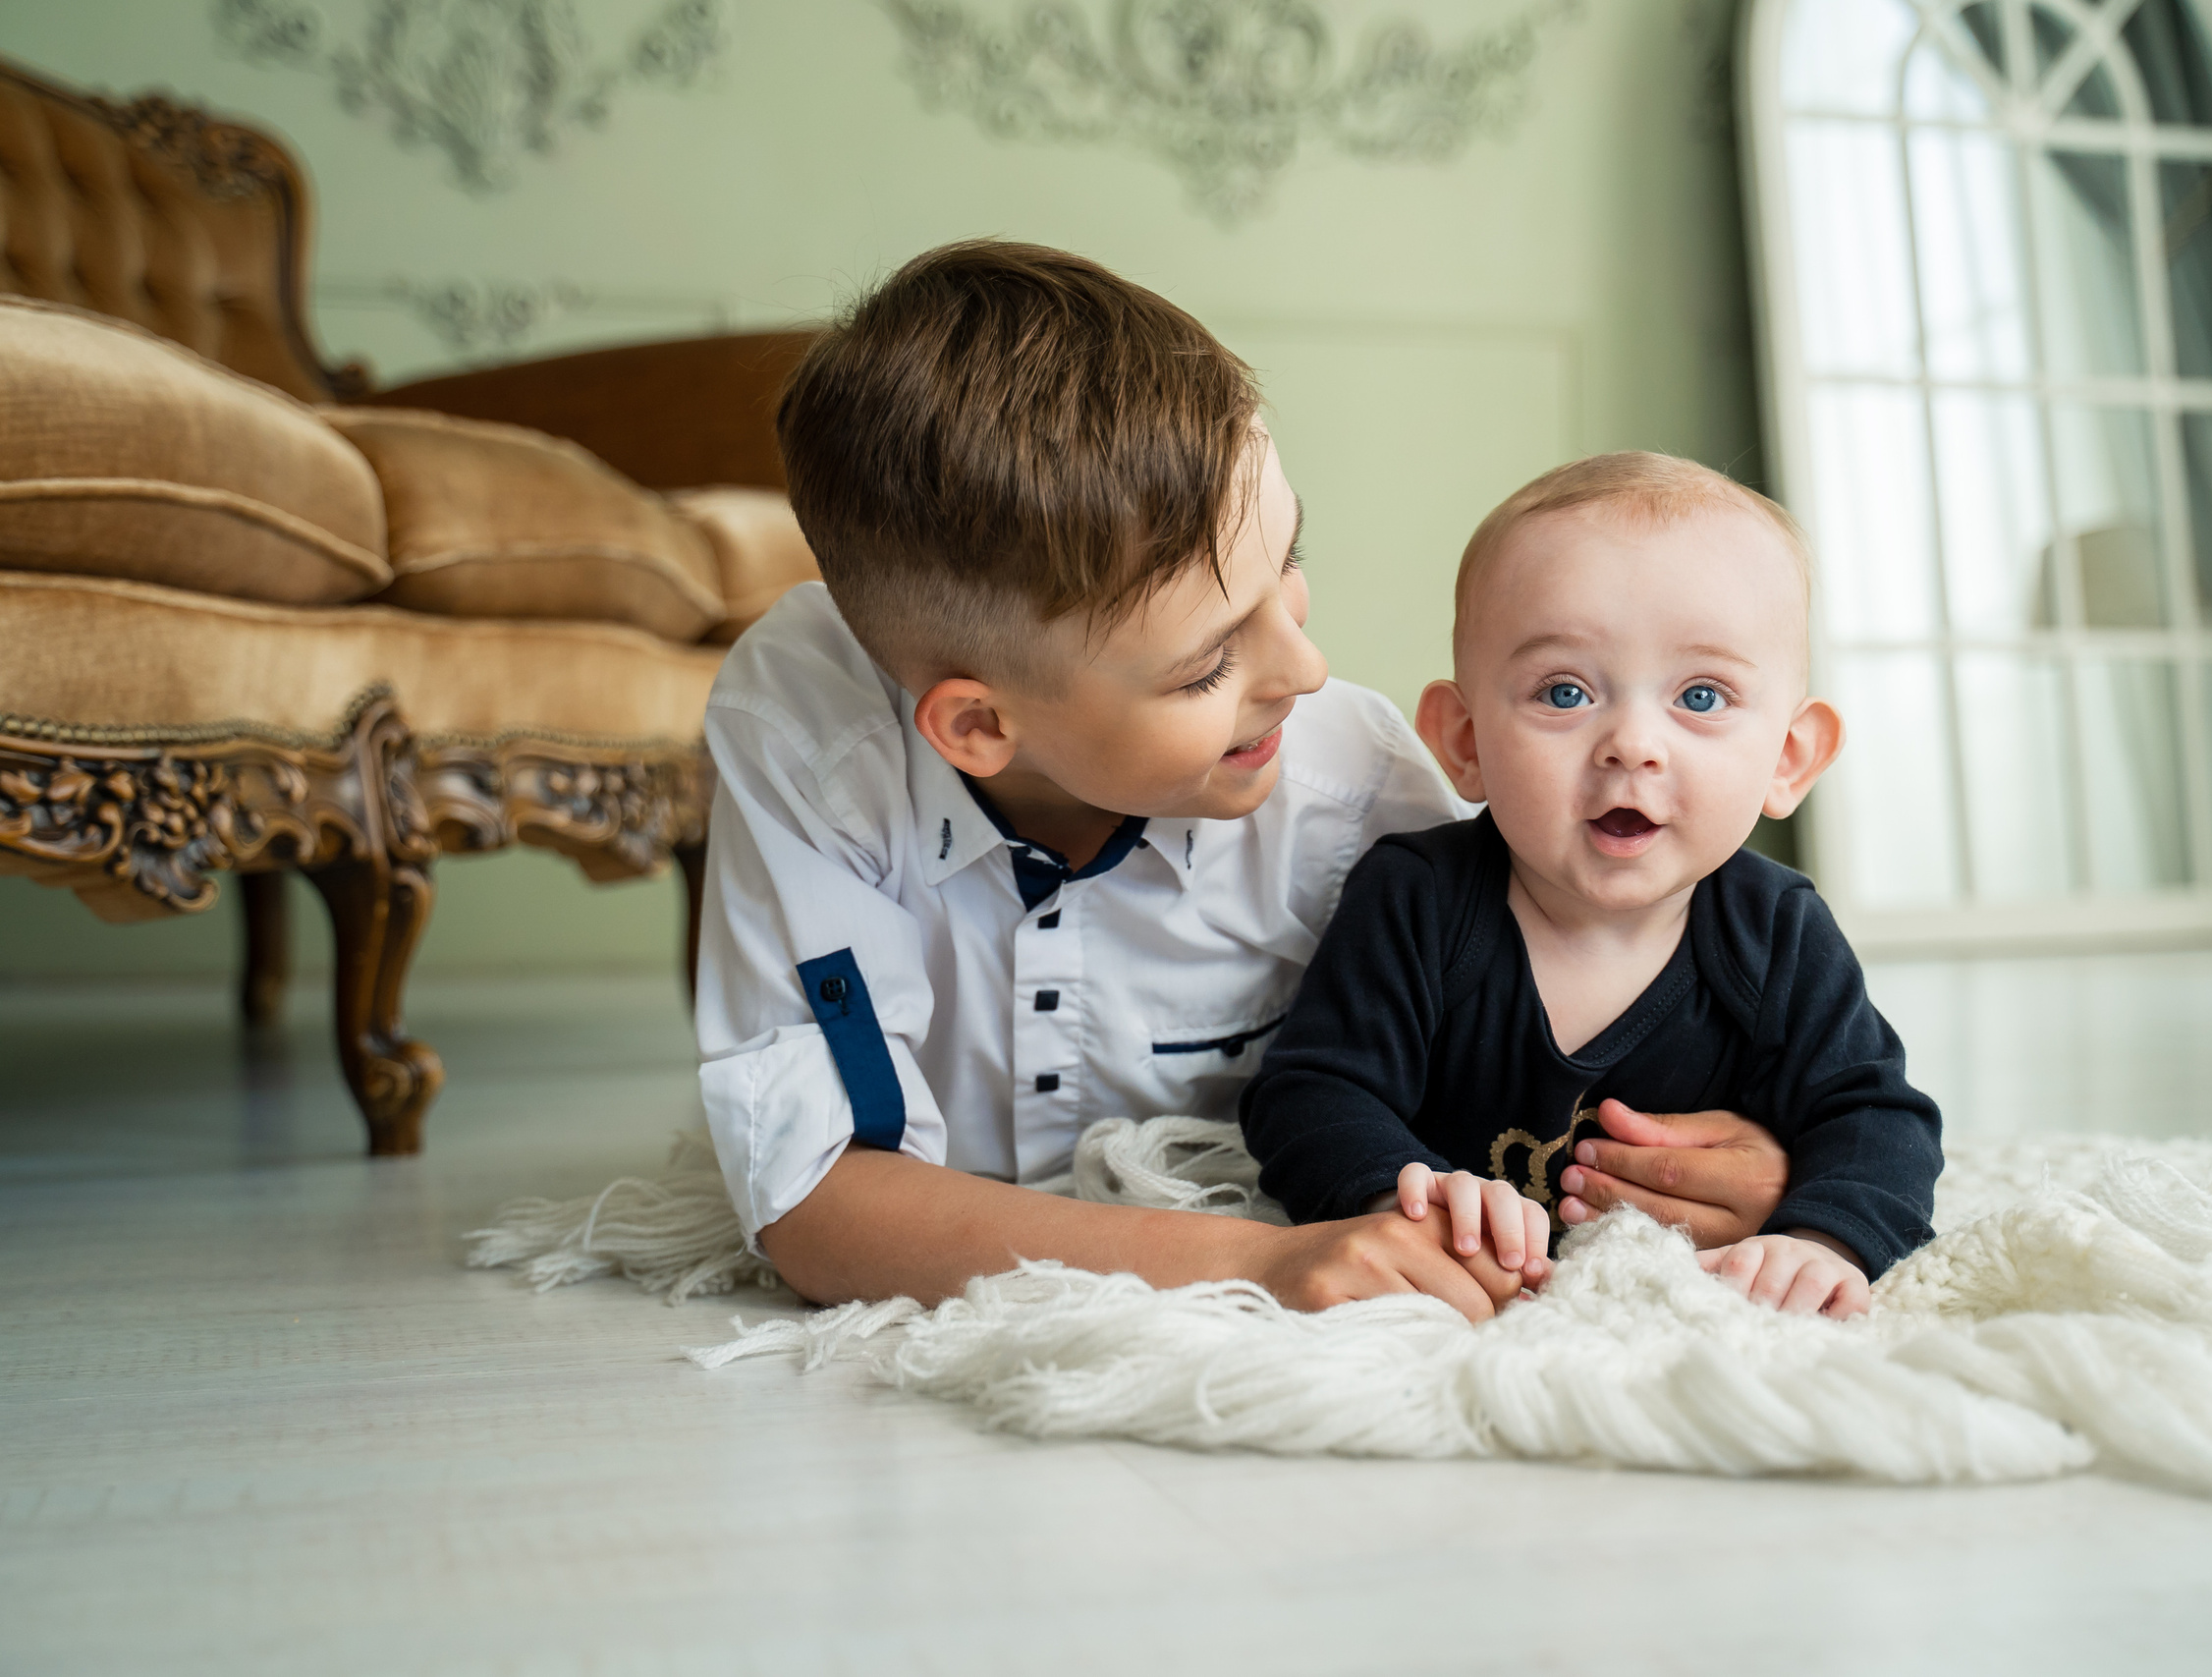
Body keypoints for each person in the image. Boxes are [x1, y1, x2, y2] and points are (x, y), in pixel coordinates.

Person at [695, 241, 1797, 1319]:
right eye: (1207, 663)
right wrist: (1256, 1263)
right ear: (979, 724)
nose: (1305, 671)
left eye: (1288, 564)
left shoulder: (1356, 786)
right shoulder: (809, 733)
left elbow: (1541, 1046)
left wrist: (1745, 1154)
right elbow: (814, 1206)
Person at [1238, 453, 1944, 1319]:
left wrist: (1822, 1239)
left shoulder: (1777, 931)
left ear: (1789, 758)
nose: (1632, 743)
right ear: (1462, 741)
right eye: (1565, 691)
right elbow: (1313, 1093)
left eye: (1702, 695)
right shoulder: (1416, 897)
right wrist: (1397, 1199)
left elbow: (1878, 1117)